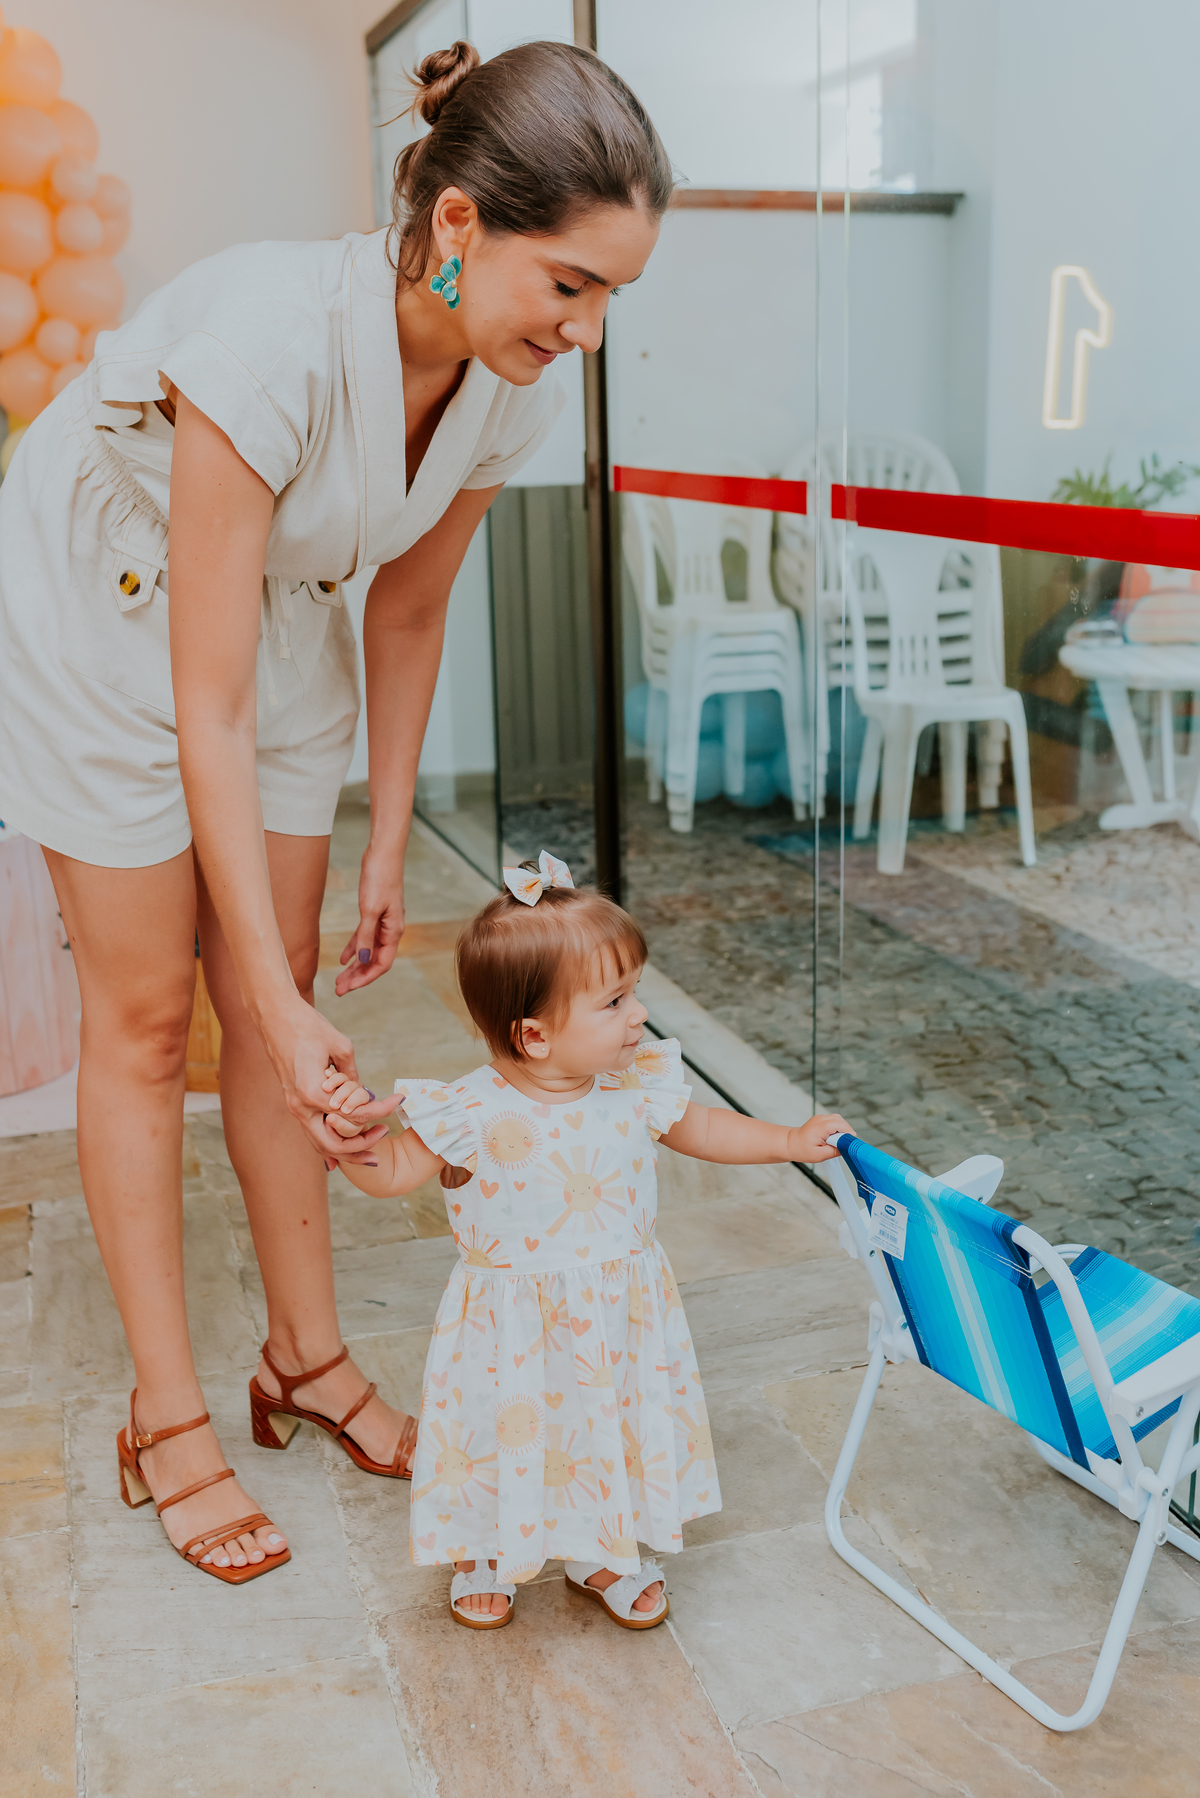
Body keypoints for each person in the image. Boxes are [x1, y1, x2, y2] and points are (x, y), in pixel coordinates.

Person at [0, 41, 672, 1583]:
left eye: (610, 298)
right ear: (458, 228)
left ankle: (302, 1353)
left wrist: (383, 841)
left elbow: (413, 610)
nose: (584, 330)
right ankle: (166, 1410)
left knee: (282, 993)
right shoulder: (266, 341)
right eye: (569, 284)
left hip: (276, 616)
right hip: (108, 607)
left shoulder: (508, 386)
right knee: (158, 1015)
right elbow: (203, 705)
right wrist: (269, 988)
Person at [321, 852, 849, 1627]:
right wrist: (354, 1148)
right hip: (512, 1325)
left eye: (633, 992)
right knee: (504, 1426)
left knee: (605, 1424)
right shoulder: (468, 1110)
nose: (637, 1015)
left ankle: (602, 1548)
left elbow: (702, 1127)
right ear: (533, 1035)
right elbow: (396, 1168)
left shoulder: (634, 1086)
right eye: (614, 1002)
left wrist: (787, 1139)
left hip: (616, 1313)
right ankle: (488, 1547)